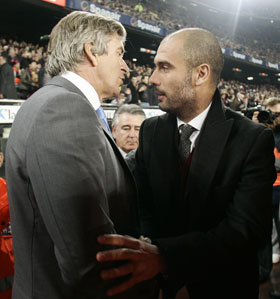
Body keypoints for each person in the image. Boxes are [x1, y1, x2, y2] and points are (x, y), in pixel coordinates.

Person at [96, 28, 276, 299]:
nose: (152, 79)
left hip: (222, 288)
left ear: (200, 74)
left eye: (164, 67)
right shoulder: (151, 130)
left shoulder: (252, 139)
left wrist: (167, 257)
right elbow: (145, 207)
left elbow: (245, 231)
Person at [5, 11, 155, 299]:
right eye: (119, 53)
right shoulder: (62, 108)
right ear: (91, 52)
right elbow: (87, 257)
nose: (126, 67)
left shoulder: (58, 103)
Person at [252, 98, 280, 298]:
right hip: (263, 190)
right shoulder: (257, 132)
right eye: (270, 113)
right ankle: (263, 271)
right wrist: (255, 127)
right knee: (263, 231)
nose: (272, 118)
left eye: (277, 114)